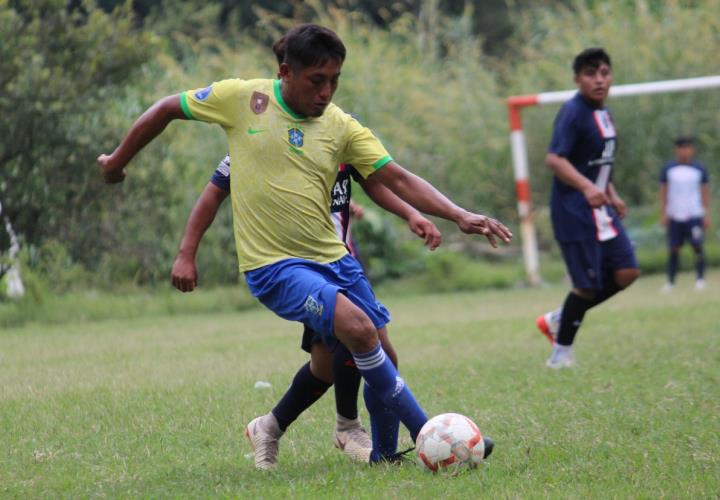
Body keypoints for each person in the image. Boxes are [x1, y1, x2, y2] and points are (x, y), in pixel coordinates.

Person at [98, 23, 510, 468]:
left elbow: (396, 177)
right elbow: (166, 109)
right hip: (274, 266)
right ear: (286, 72)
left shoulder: (341, 127)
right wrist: (117, 163)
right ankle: (430, 435)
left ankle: (384, 455)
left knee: (378, 353)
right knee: (358, 332)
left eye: (334, 81)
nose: (327, 91)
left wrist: (459, 214)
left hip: (335, 259)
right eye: (317, 81)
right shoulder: (244, 100)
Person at [171, 153, 442, 468]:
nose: (322, 101)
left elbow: (379, 182)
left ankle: (272, 426)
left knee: (329, 364)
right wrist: (187, 252)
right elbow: (214, 191)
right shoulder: (259, 134)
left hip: (341, 262)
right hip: (298, 268)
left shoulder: (343, 131)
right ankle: (368, 433)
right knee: (361, 341)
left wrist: (410, 213)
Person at [535, 48, 639, 369]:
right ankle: (560, 354)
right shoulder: (573, 112)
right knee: (586, 285)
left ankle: (560, 318)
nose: (599, 80)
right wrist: (588, 188)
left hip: (601, 207)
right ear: (577, 78)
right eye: (591, 74)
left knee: (626, 272)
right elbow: (555, 159)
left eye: (604, 73)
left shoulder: (603, 113)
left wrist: (611, 191)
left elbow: (596, 163)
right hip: (575, 211)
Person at [659, 136, 711, 291]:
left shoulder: (699, 169)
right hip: (675, 215)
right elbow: (663, 192)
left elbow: (705, 193)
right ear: (677, 150)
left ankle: (700, 279)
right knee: (674, 248)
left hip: (694, 214)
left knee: (698, 246)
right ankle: (670, 282)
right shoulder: (668, 169)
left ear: (692, 150)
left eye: (687, 147)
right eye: (681, 148)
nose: (684, 151)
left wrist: (706, 214)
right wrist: (664, 213)